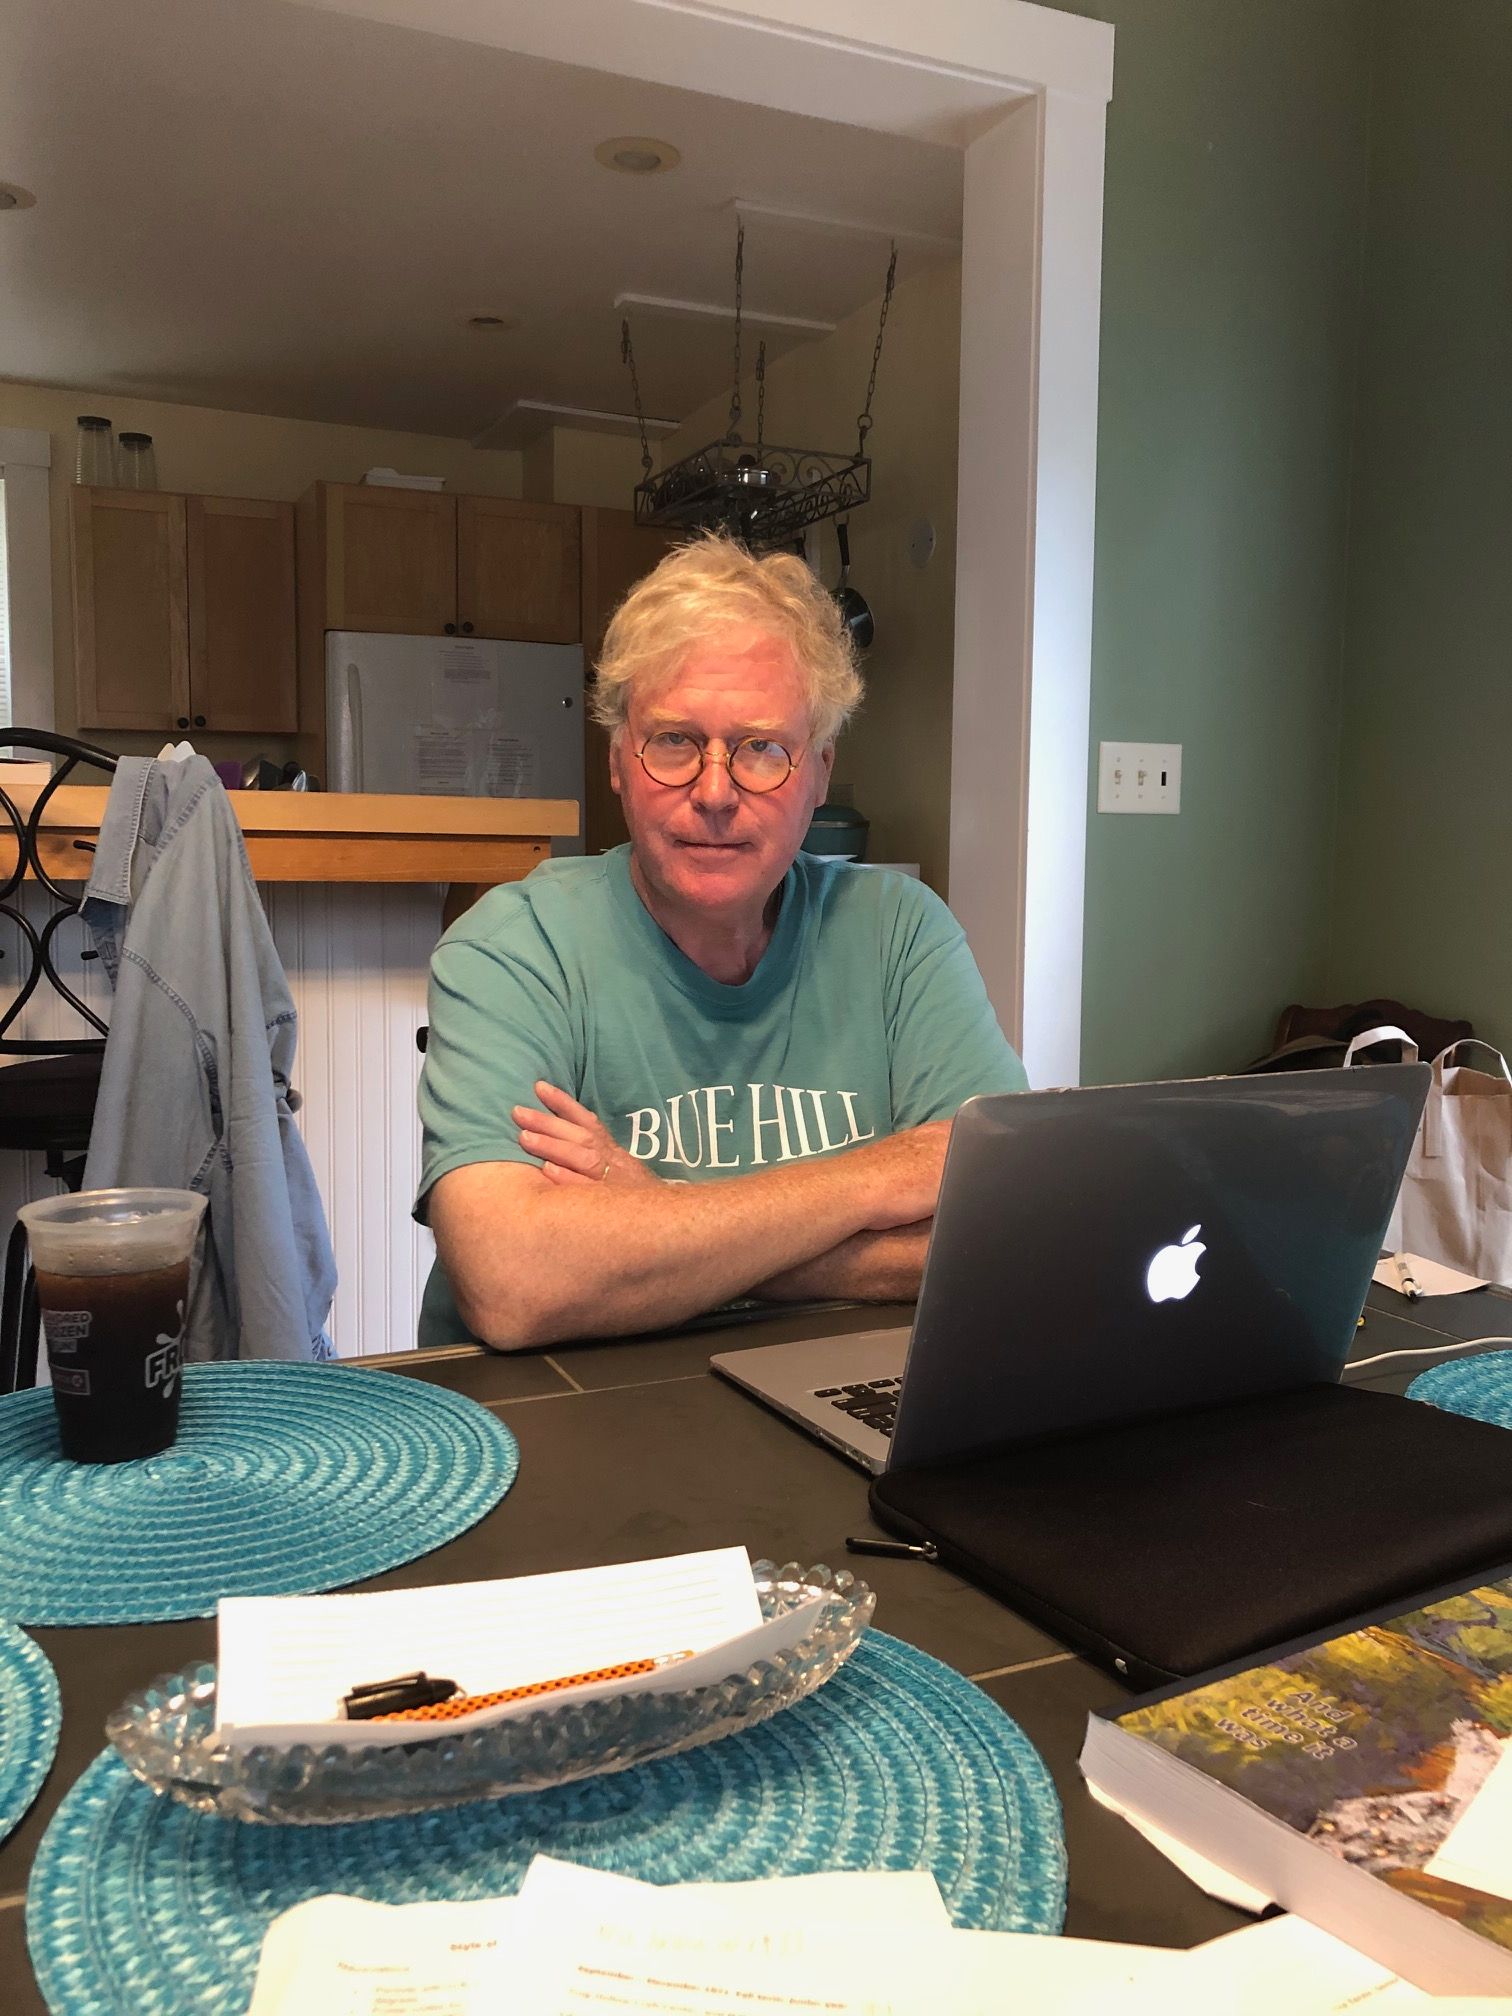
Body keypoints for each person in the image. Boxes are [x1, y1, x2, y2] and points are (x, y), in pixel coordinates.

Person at [416, 533, 1026, 1350]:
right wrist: (881, 1176)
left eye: (761, 749)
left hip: (835, 1383)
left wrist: (656, 1216)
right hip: (561, 1415)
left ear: (817, 773)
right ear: (617, 763)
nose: (713, 792)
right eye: (673, 741)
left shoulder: (901, 933)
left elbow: (1011, 1232)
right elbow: (515, 1283)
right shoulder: (515, 948)